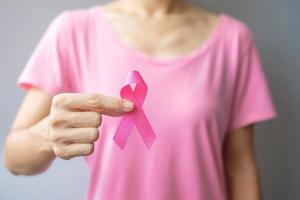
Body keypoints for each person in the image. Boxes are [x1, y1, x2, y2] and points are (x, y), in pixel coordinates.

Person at [3, 0, 278, 199]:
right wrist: (47, 137)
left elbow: (241, 167)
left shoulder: (233, 41)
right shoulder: (73, 31)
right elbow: (13, 158)